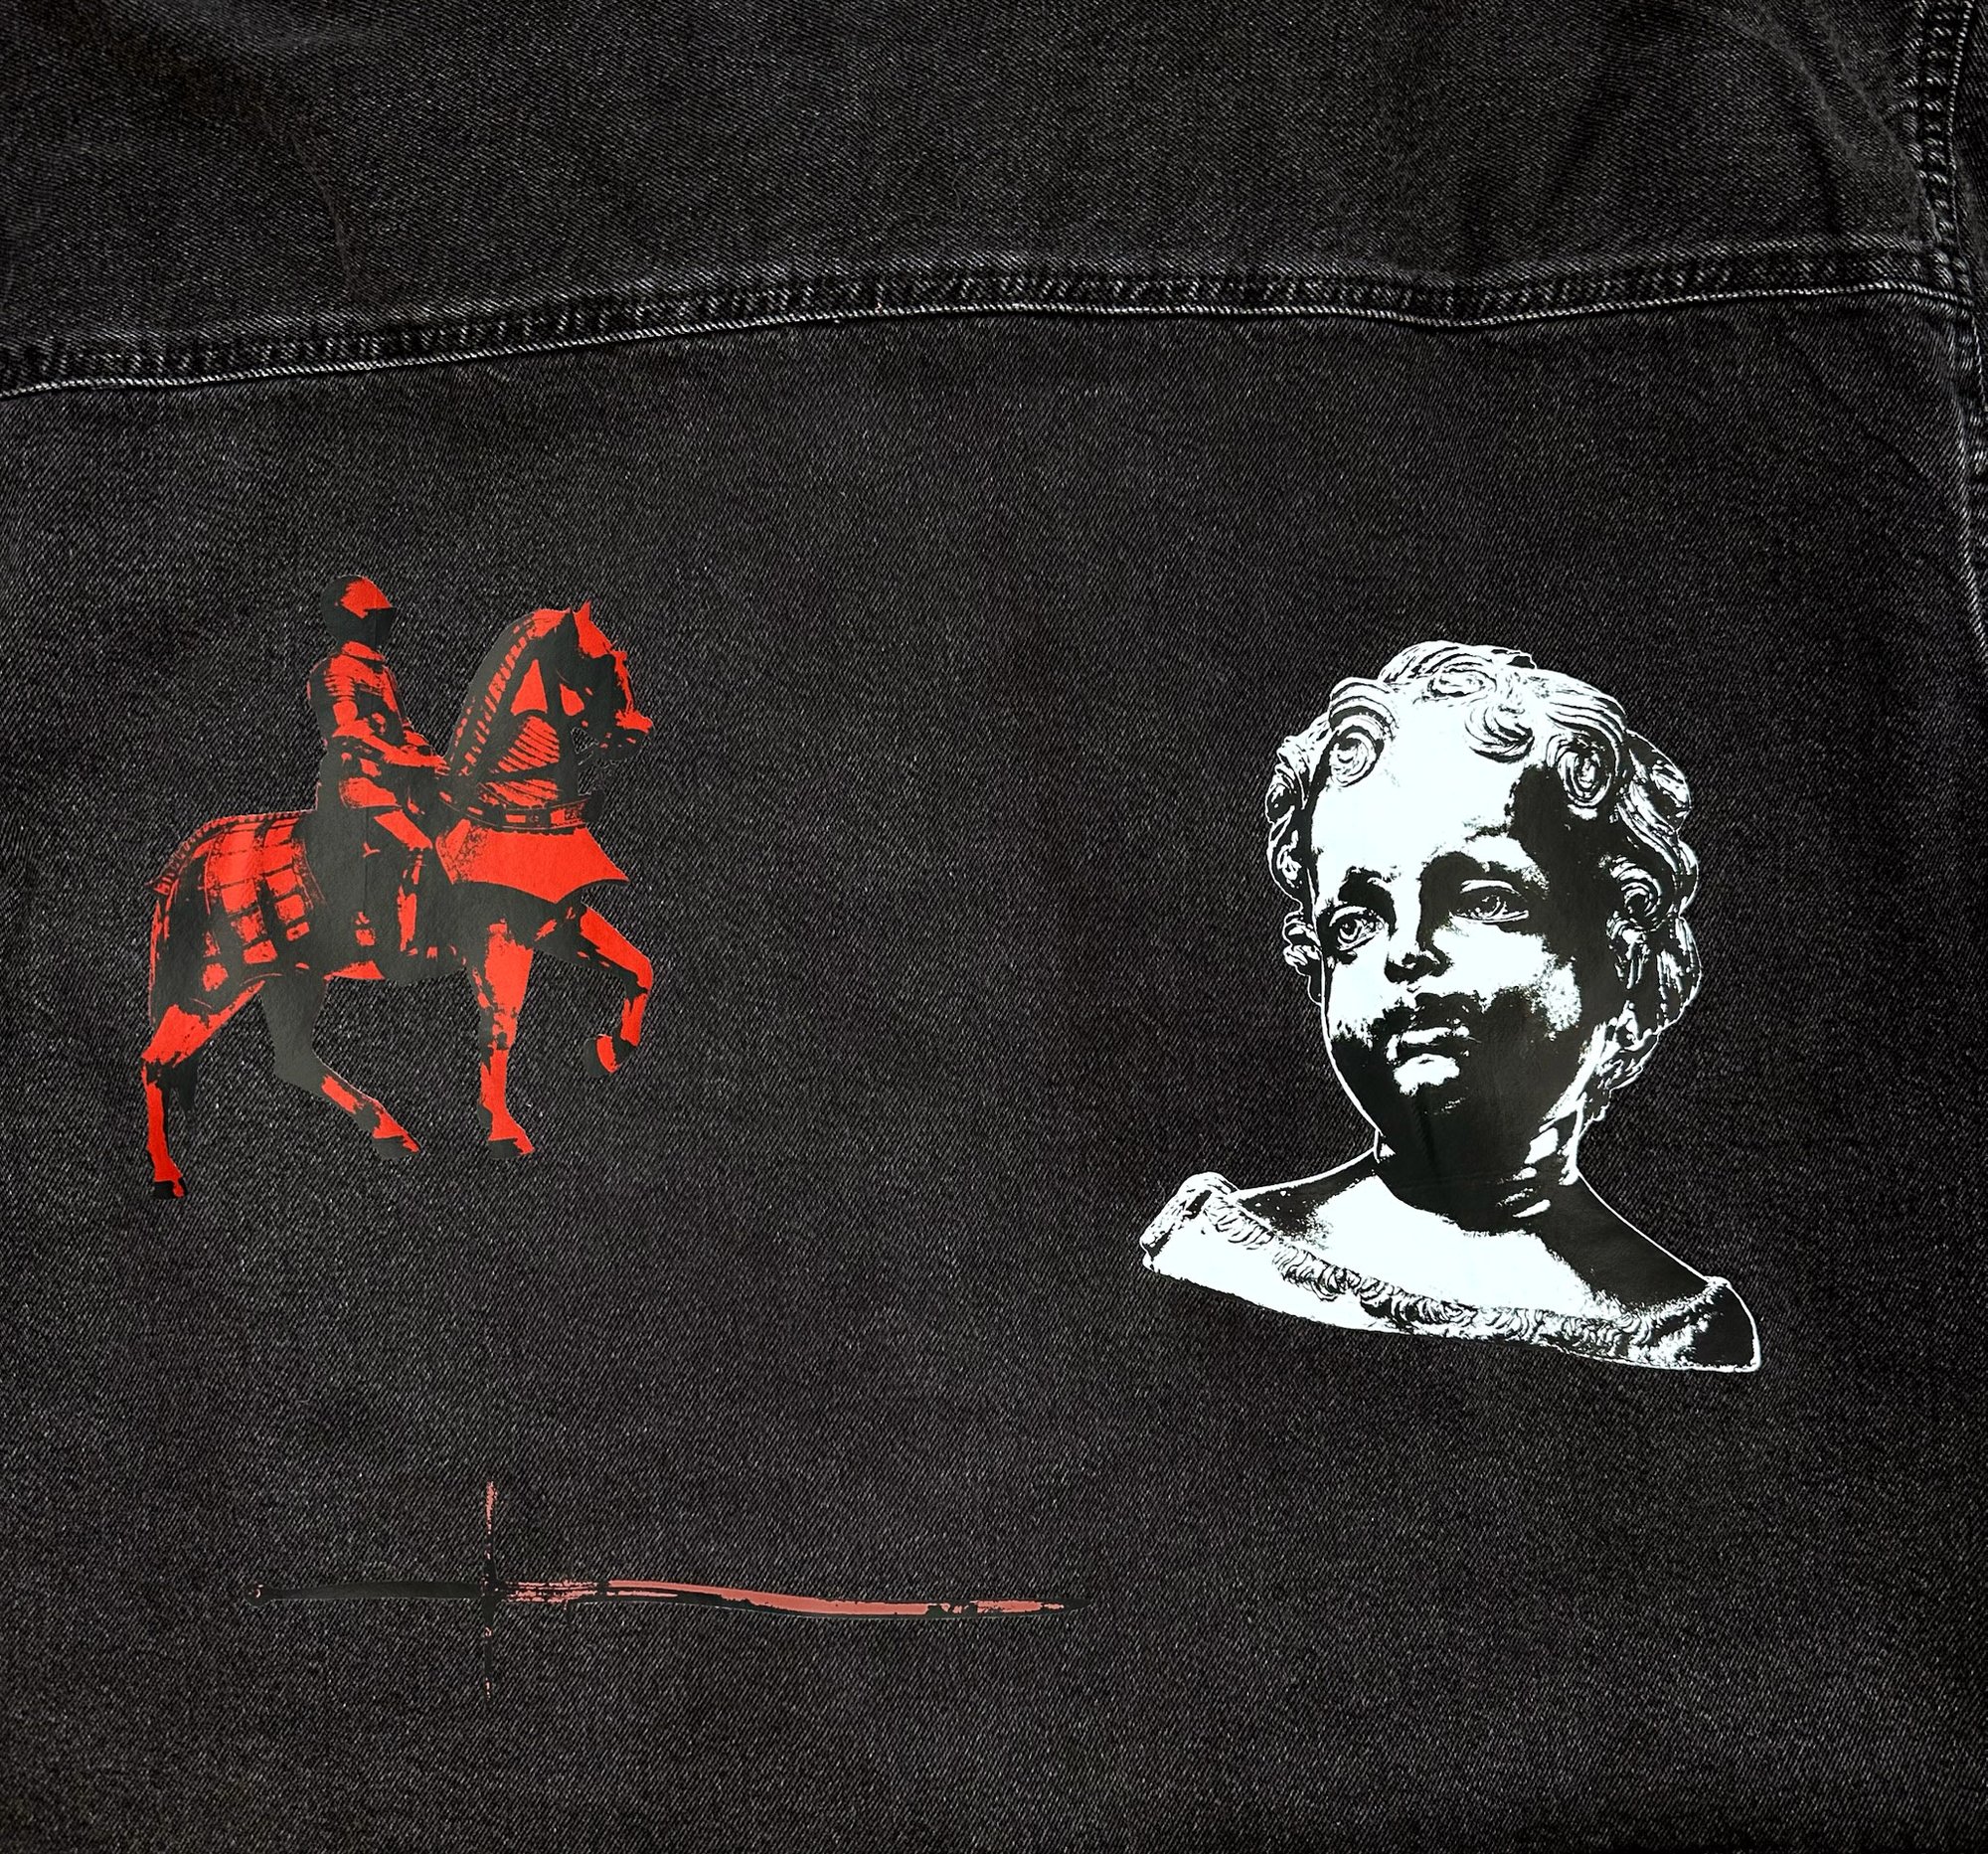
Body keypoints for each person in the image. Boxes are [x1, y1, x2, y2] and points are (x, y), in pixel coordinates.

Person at [1138, 640, 1759, 1372]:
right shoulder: (1219, 1257)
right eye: (1355, 923)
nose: (1405, 952)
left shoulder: (1680, 1330)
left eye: (1484, 902)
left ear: (1622, 954)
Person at [297, 576, 451, 974]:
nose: (382, 627)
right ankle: (398, 943)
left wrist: (427, 753)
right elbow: (347, 733)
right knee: (416, 845)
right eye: (376, 618)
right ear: (357, 619)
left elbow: (401, 727)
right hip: (357, 786)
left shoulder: (382, 672)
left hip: (395, 784)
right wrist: (409, 761)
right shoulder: (333, 671)